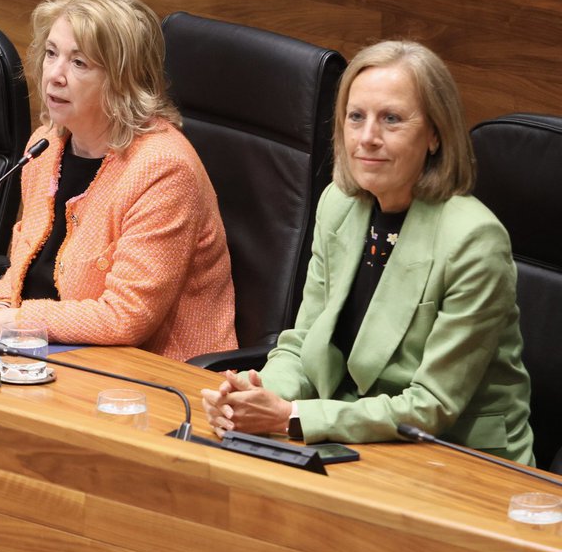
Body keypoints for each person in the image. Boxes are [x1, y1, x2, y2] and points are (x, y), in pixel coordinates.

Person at [201, 41, 534, 464]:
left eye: (391, 119)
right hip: (361, 441)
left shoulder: (473, 239)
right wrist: (254, 395)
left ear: (435, 133)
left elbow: (431, 406)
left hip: (461, 459)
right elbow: (303, 346)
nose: (368, 137)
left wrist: (291, 416)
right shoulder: (338, 205)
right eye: (355, 117)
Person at [0, 0, 237, 360]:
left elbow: (127, 317)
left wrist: (0, 324)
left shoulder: (163, 170)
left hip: (153, 377)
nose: (54, 75)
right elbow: (19, 270)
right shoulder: (45, 145)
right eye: (52, 54)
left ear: (124, 79)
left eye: (79, 63)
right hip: (49, 354)